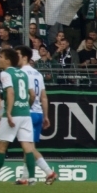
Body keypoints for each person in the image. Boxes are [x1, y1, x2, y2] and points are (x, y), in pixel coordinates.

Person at [0, 47, 41, 185]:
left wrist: (8, 112)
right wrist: (26, 107)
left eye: (1, 57)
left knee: (1, 146)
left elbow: (10, 92)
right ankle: (32, 178)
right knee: (28, 147)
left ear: (8, 60)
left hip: (13, 114)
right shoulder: (23, 74)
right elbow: (32, 95)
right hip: (25, 114)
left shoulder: (5, 73)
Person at [18, 47, 56, 182]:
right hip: (38, 113)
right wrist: (45, 116)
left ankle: (49, 172)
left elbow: (32, 95)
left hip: (27, 113)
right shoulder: (38, 74)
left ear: (24, 57)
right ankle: (25, 177)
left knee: (28, 147)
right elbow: (44, 97)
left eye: (17, 54)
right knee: (28, 146)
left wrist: (24, 109)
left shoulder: (20, 73)